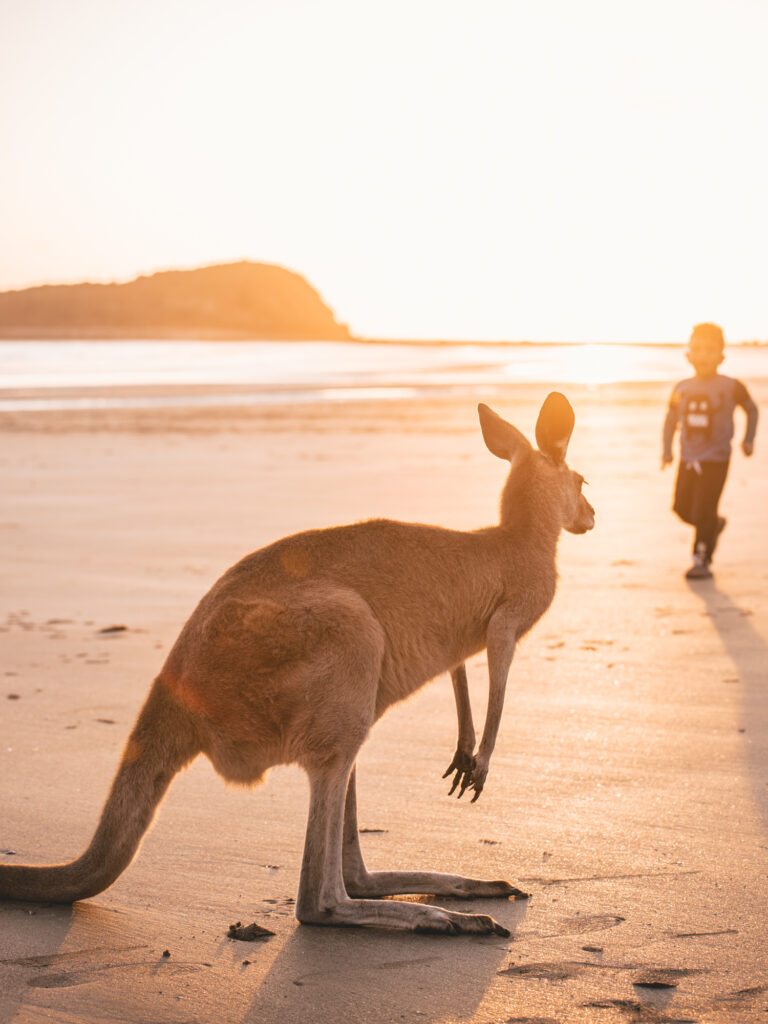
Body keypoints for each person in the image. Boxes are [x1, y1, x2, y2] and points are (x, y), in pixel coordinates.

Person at [662, 323, 758, 580]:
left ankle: (701, 560)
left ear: (721, 356)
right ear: (688, 355)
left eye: (709, 350)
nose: (703, 355)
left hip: (717, 460)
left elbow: (752, 409)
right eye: (697, 349)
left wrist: (748, 440)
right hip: (688, 458)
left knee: (705, 509)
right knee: (681, 507)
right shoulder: (681, 388)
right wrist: (666, 450)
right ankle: (714, 526)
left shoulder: (731, 386)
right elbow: (671, 419)